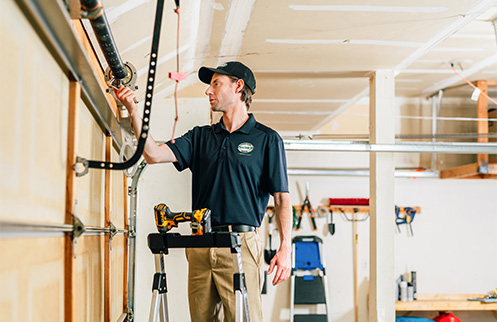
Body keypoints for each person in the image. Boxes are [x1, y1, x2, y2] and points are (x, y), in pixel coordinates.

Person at [115, 61, 292, 322]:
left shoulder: (266, 139)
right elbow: (152, 154)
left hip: (240, 245)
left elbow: (281, 198)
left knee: (246, 319)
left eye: (216, 84)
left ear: (238, 86)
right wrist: (133, 109)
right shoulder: (200, 137)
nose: (208, 91)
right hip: (200, 245)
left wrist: (286, 246)